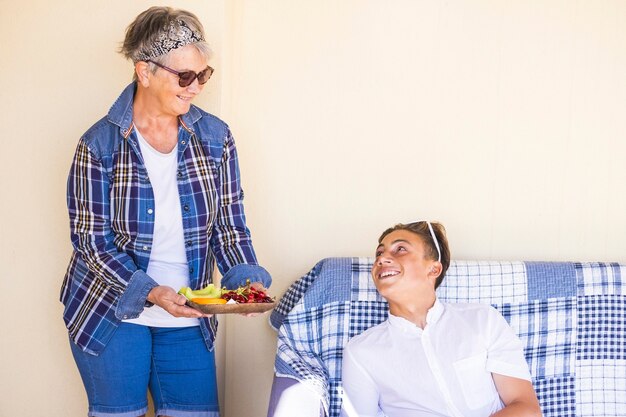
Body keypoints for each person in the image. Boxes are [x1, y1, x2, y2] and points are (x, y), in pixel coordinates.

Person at [60, 7, 271, 417]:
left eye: (204, 75)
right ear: (145, 72)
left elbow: (229, 225)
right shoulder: (98, 145)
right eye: (185, 76)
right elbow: (92, 244)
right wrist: (151, 292)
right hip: (111, 311)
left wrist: (244, 280)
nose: (196, 88)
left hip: (189, 311)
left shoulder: (216, 137)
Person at [340, 221, 541, 417]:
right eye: (379, 253)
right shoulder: (361, 352)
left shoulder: (483, 320)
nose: (382, 259)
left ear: (434, 269)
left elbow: (526, 409)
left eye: (400, 249)